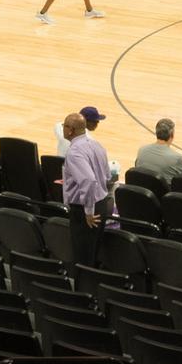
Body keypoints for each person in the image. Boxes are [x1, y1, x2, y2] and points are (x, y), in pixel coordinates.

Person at [59, 111, 112, 264]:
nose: (62, 128)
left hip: (86, 211)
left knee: (83, 258)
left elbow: (88, 181)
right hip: (101, 204)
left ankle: (84, 287)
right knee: (92, 254)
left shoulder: (75, 152)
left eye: (64, 126)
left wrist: (88, 212)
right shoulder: (96, 145)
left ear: (70, 130)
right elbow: (107, 176)